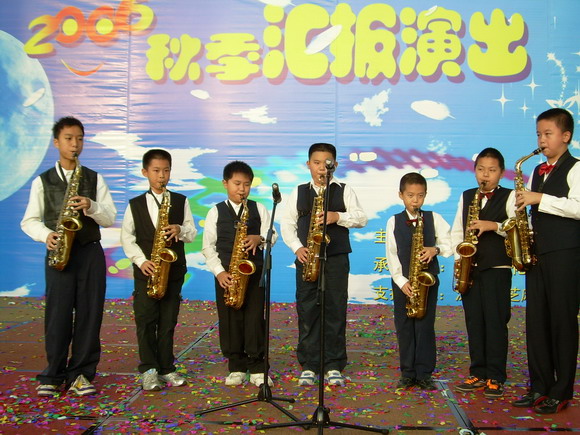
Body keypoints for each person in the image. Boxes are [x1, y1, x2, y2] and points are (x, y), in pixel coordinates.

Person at [21, 116, 117, 397]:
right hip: (59, 252)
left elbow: (109, 217)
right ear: (56, 142)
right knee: (58, 315)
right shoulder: (42, 181)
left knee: (90, 314)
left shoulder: (94, 178)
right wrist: (46, 235)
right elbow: (29, 221)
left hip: (89, 251)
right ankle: (53, 374)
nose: (75, 144)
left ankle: (81, 374)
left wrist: (91, 205)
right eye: (68, 138)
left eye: (79, 139)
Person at [281, 142, 367, 387]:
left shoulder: (344, 190)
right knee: (307, 310)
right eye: (316, 163)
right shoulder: (298, 191)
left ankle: (333, 364)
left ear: (335, 165)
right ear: (308, 165)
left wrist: (337, 216)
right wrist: (297, 247)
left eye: (326, 163)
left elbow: (361, 218)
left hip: (336, 258)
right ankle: (309, 364)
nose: (321, 168)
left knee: (335, 310)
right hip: (307, 258)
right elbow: (287, 224)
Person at [512, 108, 579, 414]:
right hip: (537, 255)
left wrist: (539, 199)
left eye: (548, 134)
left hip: (565, 254)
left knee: (562, 322)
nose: (541, 140)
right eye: (539, 134)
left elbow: (578, 208)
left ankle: (561, 391)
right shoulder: (538, 171)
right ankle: (539, 386)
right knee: (536, 322)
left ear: (566, 136)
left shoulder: (577, 168)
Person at [121, 149, 196, 391]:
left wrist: (180, 230)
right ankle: (149, 370)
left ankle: (166, 368)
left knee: (168, 321)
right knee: (145, 321)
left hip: (173, 271)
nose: (162, 176)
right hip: (147, 271)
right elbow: (127, 238)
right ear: (145, 172)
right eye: (156, 171)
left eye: (166, 170)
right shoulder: (135, 204)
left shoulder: (181, 201)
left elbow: (192, 233)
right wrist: (141, 261)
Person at [202, 161, 275, 387]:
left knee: (255, 319)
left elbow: (272, 235)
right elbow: (208, 247)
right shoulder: (215, 211)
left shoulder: (259, 208)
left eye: (246, 184)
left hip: (254, 275)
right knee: (230, 321)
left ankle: (258, 367)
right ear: (225, 184)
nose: (242, 189)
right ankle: (236, 366)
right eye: (237, 184)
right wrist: (219, 273)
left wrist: (259, 238)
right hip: (227, 276)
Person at [451, 148, 516, 398]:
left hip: (497, 268)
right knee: (475, 322)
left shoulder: (510, 196)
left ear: (501, 173)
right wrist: (460, 259)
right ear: (474, 170)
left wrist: (494, 225)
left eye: (491, 170)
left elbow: (520, 227)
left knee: (496, 322)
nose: (485, 175)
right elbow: (458, 230)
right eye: (481, 169)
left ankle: (496, 376)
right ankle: (478, 372)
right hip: (471, 269)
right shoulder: (467, 196)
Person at [385, 172, 452, 391]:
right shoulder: (393, 221)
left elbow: (450, 244)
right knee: (404, 326)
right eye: (410, 195)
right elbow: (392, 254)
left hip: (427, 281)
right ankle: (407, 373)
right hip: (403, 283)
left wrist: (435, 250)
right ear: (401, 195)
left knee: (425, 326)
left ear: (425, 195)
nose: (415, 201)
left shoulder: (434, 218)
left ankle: (424, 373)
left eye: (420, 196)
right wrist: (401, 280)